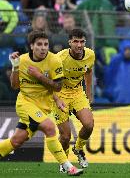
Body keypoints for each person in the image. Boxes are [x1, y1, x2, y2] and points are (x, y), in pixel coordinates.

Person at [0, 30, 83, 176]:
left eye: (46, 44)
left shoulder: (54, 61)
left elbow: (58, 86)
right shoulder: (23, 60)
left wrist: (40, 77)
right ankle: (68, 166)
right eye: (39, 44)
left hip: (42, 107)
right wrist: (15, 66)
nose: (43, 47)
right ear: (32, 46)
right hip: (25, 103)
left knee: (17, 141)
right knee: (50, 127)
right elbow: (14, 86)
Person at [52, 28, 95, 172]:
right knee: (65, 136)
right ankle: (64, 162)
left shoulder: (90, 55)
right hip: (60, 94)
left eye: (82, 41)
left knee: (89, 125)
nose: (79, 45)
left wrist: (88, 93)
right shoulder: (60, 58)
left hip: (77, 93)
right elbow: (49, 81)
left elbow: (88, 71)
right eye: (75, 41)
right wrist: (56, 99)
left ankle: (78, 149)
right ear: (69, 42)